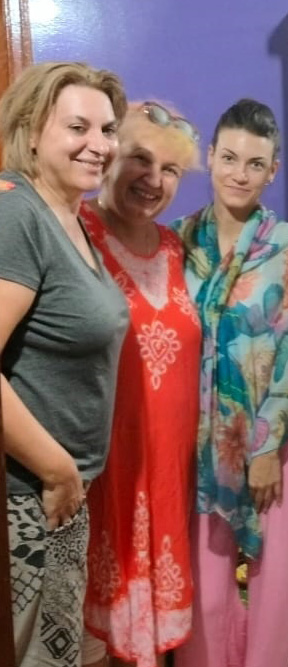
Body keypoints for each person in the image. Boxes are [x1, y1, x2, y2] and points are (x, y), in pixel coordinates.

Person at [170, 98, 288, 667]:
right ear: (209, 157)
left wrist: (268, 448)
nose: (239, 173)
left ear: (272, 170)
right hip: (198, 442)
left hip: (272, 445)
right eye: (229, 158)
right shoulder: (175, 241)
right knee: (204, 595)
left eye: (255, 164)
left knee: (277, 595)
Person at [0, 61, 129, 666]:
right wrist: (56, 470)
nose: (98, 145)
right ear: (30, 132)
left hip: (58, 494)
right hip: (26, 496)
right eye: (78, 127)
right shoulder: (18, 215)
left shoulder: (72, 220)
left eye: (107, 130)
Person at [78, 101, 202, 667]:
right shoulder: (75, 234)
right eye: (140, 159)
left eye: (171, 169)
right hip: (106, 472)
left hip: (172, 470)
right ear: (109, 157)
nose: (154, 180)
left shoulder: (178, 249)